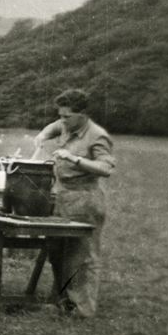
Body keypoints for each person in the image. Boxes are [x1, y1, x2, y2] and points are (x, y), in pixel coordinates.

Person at [32, 89, 115, 318]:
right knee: (58, 251)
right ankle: (60, 301)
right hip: (63, 197)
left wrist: (75, 159)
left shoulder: (97, 136)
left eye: (67, 116)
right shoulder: (67, 124)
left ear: (83, 114)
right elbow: (54, 126)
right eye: (61, 115)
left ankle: (82, 309)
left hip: (86, 199)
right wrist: (42, 135)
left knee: (82, 256)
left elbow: (106, 168)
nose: (62, 120)